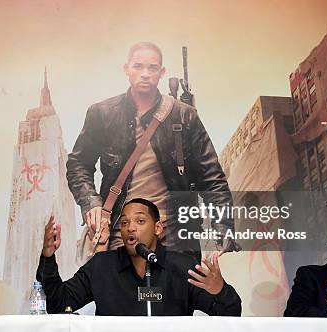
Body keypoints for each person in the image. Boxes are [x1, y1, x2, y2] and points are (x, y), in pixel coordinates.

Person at [67, 42, 234, 260]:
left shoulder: (184, 116)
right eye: (138, 66)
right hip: (122, 229)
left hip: (175, 232)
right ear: (126, 69)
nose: (145, 74)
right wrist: (91, 202)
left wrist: (223, 225)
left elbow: (211, 176)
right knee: (124, 292)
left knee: (177, 293)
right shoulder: (102, 113)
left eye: (152, 68)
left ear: (161, 72)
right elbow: (78, 164)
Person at [36, 198, 241, 315]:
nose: (130, 228)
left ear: (158, 228)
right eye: (124, 223)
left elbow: (230, 314)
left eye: (140, 221)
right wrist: (48, 256)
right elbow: (59, 303)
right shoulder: (103, 266)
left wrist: (220, 291)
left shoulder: (181, 266)